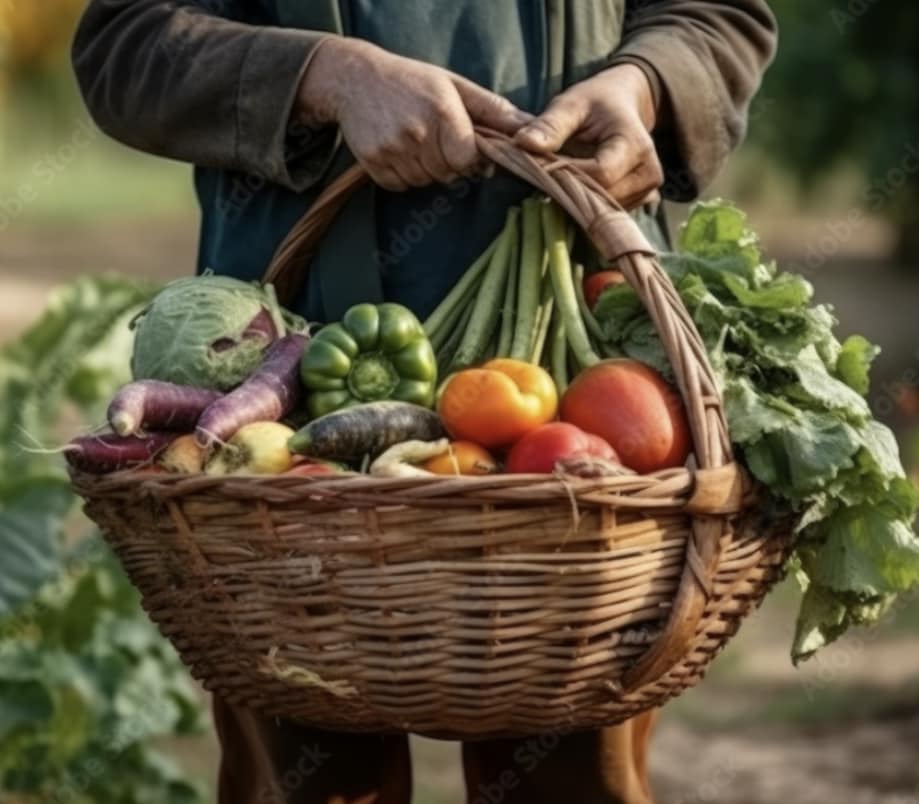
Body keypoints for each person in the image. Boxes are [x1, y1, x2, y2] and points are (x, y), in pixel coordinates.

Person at [72, 2, 776, 802]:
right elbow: (125, 41)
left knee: (572, 778)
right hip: (282, 379)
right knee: (310, 773)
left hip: (586, 378)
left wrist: (643, 84)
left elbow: (715, 17)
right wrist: (321, 76)